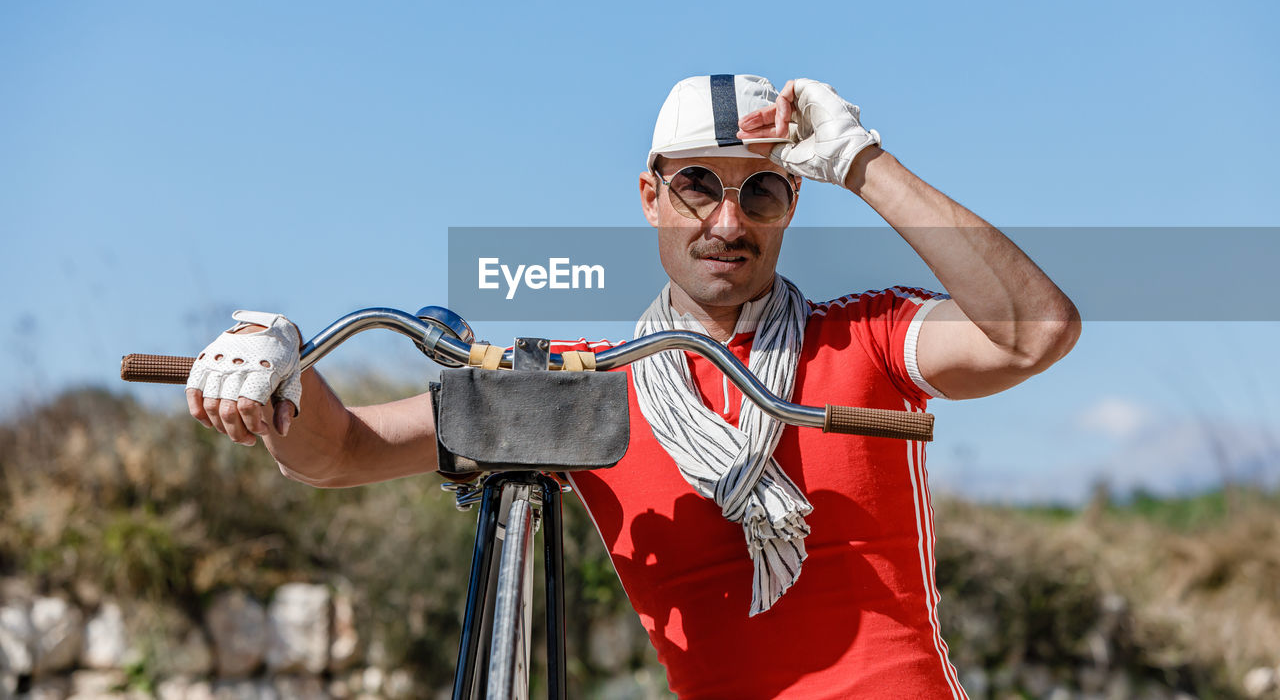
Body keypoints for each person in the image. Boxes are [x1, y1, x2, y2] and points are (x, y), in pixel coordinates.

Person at [186, 74, 1080, 699]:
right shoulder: (587, 384)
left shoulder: (868, 337)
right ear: (650, 195)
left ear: (792, 205)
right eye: (698, 186)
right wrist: (279, 366)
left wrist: (861, 161)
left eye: (761, 192)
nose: (728, 221)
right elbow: (339, 451)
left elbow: (1036, 329)